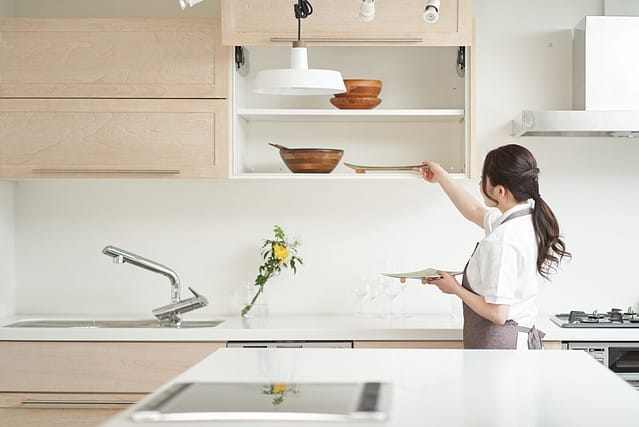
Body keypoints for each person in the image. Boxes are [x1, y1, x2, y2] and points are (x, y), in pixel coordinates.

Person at [417, 144, 570, 350]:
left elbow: (498, 314)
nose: (480, 184)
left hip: (504, 350)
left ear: (499, 191)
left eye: (483, 178)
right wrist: (441, 176)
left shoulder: (503, 239)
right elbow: (475, 211)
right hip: (517, 344)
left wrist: (454, 288)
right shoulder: (526, 220)